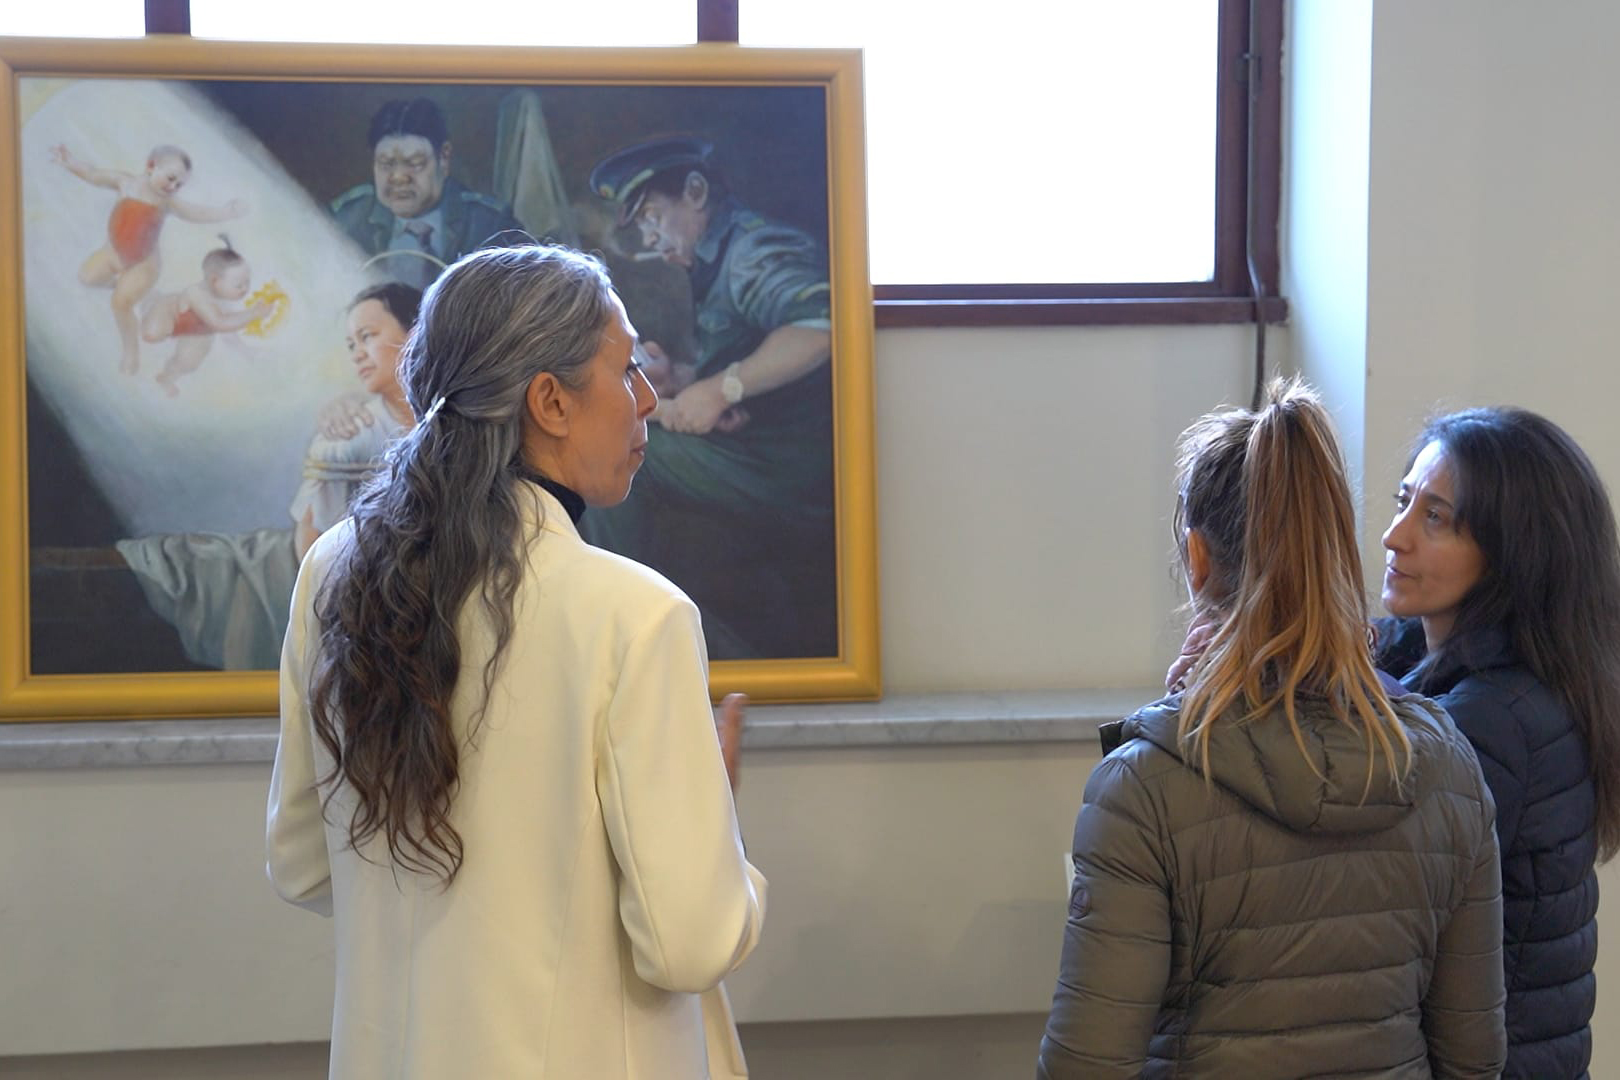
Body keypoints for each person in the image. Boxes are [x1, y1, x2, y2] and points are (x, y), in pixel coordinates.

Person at [267, 244, 765, 1079]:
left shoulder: (332, 570)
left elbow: (301, 863)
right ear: (550, 402)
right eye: (627, 369)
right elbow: (690, 942)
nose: (647, 397)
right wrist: (711, 826)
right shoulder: (636, 616)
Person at [1036, 381, 1506, 1079]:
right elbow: (1474, 1060)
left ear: (1198, 558)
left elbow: (1088, 1067)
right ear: (1332, 549)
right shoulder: (1450, 769)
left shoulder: (1144, 791)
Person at [1377, 407, 1620, 1079]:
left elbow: (1372, 903)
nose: (1395, 536)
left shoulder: (1491, 719)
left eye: (1435, 519)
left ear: (1512, 555)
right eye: (1403, 502)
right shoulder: (1459, 669)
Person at [581, 136, 836, 657]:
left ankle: (618, 632)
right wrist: (684, 379)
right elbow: (753, 352)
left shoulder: (751, 251)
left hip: (791, 469)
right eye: (642, 225)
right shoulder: (720, 255)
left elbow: (822, 327)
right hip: (760, 449)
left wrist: (722, 389)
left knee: (622, 456)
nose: (651, 237)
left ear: (696, 192)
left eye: (653, 216)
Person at [49, 141, 249, 374]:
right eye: (171, 178)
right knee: (86, 277)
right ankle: (132, 289)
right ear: (151, 166)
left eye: (179, 184)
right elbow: (93, 174)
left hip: (144, 264)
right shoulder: (126, 182)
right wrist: (69, 162)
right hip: (113, 252)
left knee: (120, 304)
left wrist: (226, 212)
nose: (173, 187)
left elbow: (198, 213)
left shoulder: (167, 203)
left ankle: (131, 352)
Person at [331, 97, 524, 289]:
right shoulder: (347, 221)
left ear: (444, 158)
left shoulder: (489, 225)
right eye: (386, 164)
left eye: (414, 163)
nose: (398, 177)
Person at [289, 282, 420, 559]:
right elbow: (312, 538)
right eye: (351, 345)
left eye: (367, 336)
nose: (357, 354)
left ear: (415, 335)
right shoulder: (346, 437)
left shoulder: (457, 422)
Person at [141, 236, 276, 396]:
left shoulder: (225, 304)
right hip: (171, 314)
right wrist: (254, 313)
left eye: (247, 282)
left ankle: (166, 378)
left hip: (197, 331)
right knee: (151, 335)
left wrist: (245, 350)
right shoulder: (196, 293)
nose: (245, 289)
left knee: (189, 362)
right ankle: (151, 298)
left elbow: (228, 331)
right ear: (214, 281)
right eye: (238, 285)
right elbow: (219, 323)